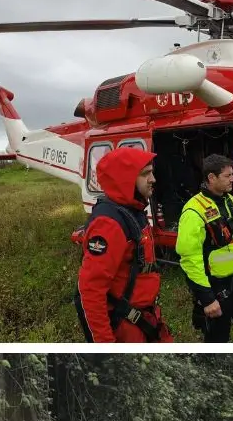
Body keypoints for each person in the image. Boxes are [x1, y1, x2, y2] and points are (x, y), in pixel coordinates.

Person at [74, 146, 173, 343]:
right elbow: (91, 290)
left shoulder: (133, 211)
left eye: (152, 172)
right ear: (125, 180)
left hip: (144, 317)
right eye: (146, 174)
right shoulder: (109, 224)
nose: (153, 179)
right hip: (127, 326)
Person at [176, 153, 233, 343]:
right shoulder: (193, 211)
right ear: (211, 178)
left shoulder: (230, 201)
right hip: (216, 288)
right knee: (217, 337)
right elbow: (190, 259)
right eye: (227, 176)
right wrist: (206, 298)